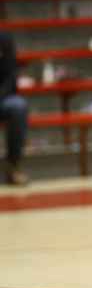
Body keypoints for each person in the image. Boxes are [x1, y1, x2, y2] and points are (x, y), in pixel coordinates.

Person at [0, 31, 29, 186]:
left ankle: (13, 166)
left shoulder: (4, 39)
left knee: (18, 106)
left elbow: (11, 77)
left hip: (3, 98)